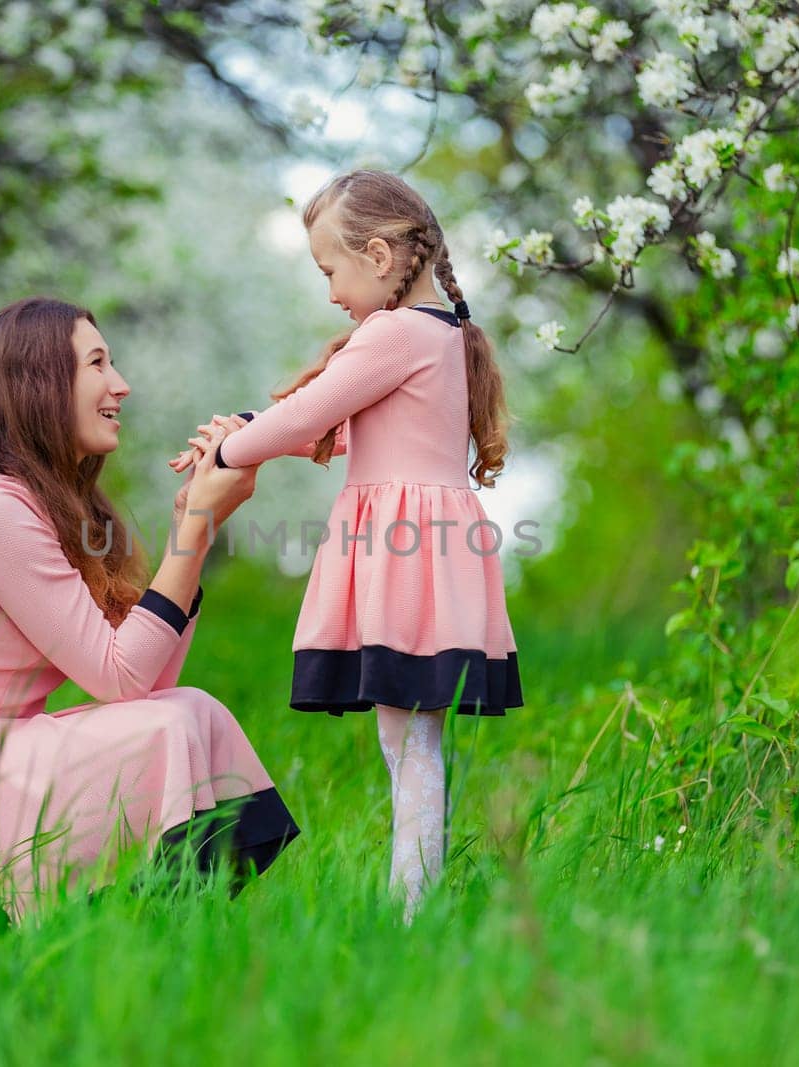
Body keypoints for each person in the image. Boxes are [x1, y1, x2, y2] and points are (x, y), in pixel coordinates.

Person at [0, 297, 299, 919]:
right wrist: (195, 528)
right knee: (177, 723)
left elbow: (146, 679)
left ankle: (153, 926)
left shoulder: (53, 505)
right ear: (40, 383)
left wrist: (188, 526)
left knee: (191, 713)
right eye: (98, 363)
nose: (121, 385)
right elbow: (123, 680)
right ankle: (131, 923)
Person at [172, 170, 522, 921]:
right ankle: (414, 902)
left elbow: (304, 418)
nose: (329, 290)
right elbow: (321, 428)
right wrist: (244, 431)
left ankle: (412, 912)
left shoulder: (394, 333)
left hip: (405, 551)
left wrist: (228, 454)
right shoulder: (442, 333)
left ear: (378, 254)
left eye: (330, 270)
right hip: (428, 546)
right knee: (408, 736)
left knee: (410, 740)